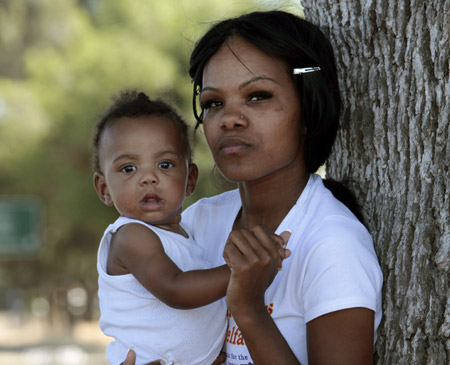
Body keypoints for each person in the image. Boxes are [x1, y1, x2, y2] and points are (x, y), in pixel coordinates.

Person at [124, 9, 383, 365]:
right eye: (214, 103)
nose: (230, 118)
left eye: (258, 96)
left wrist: (248, 308)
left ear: (308, 109)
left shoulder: (332, 245)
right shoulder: (194, 226)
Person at [92, 90, 291, 364]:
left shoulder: (184, 235)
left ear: (189, 180)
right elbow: (176, 290)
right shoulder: (130, 236)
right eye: (128, 169)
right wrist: (243, 269)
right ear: (103, 189)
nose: (148, 178)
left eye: (165, 164)